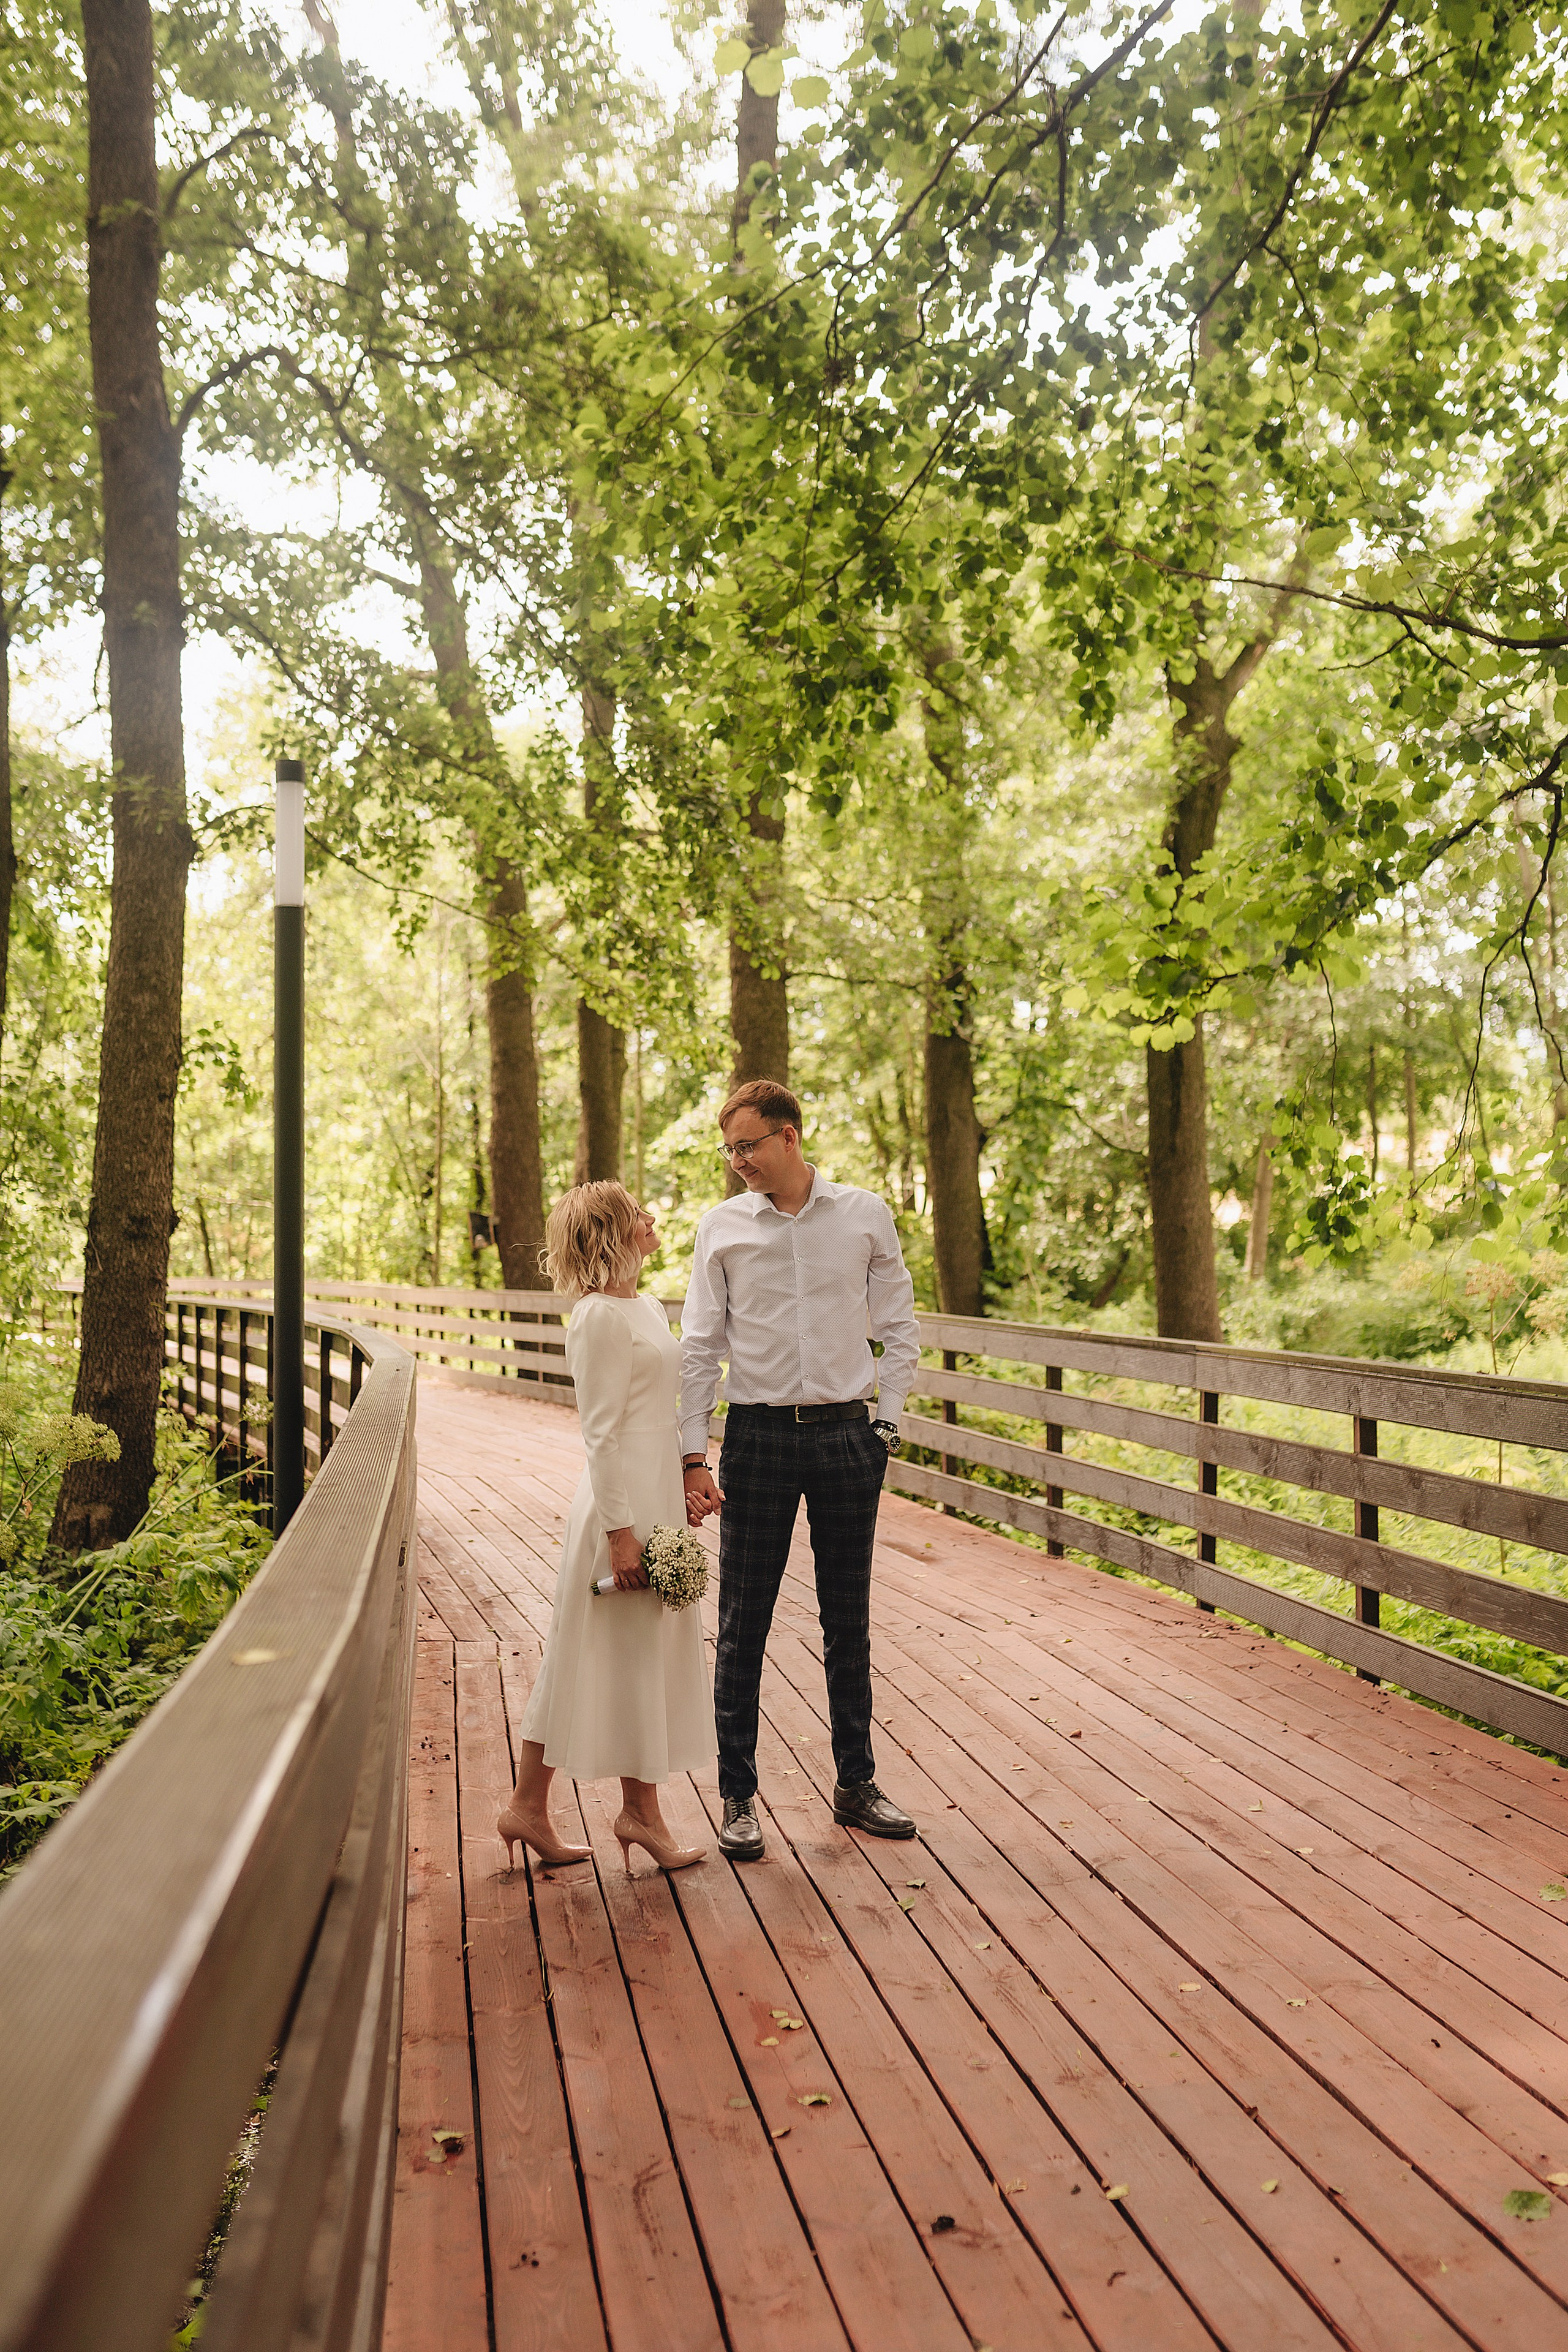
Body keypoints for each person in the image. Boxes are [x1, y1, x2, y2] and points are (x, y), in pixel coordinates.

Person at [680, 1080, 921, 1860]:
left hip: (848, 1437)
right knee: (742, 1621)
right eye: (729, 1149)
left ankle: (855, 1782)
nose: (737, 1161)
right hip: (757, 1438)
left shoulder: (864, 1215)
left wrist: (886, 1425)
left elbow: (900, 1329)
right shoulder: (720, 1228)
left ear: (789, 1137)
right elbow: (698, 1350)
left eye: (748, 1145)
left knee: (846, 1618)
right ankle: (737, 1797)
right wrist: (693, 1453)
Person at [498, 1182, 716, 1876]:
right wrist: (623, 1533)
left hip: (652, 1494)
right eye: (637, 1213)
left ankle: (540, 1809)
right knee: (596, 1652)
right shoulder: (595, 1317)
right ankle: (626, 1816)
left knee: (624, 1654)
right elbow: (600, 1433)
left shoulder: (646, 1305)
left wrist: (680, 1480)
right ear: (611, 1232)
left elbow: (662, 1407)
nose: (651, 1218)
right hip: (615, 1511)